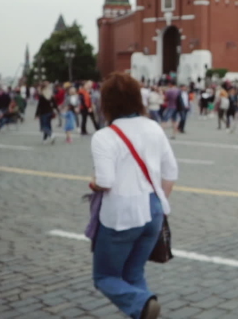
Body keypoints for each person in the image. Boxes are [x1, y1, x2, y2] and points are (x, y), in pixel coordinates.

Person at [90, 72, 178, 319]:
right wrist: (160, 202)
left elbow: (106, 181)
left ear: (106, 103)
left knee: (105, 276)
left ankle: (142, 304)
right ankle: (144, 308)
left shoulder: (104, 137)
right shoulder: (153, 127)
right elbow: (171, 172)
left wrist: (93, 183)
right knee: (134, 274)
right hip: (154, 209)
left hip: (121, 214)